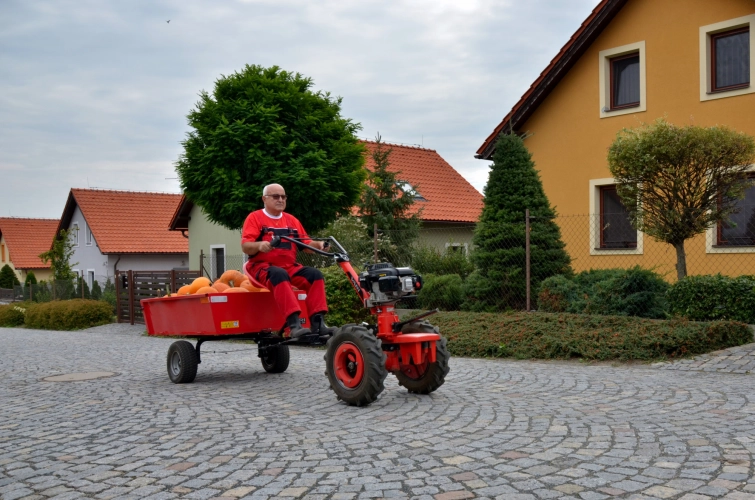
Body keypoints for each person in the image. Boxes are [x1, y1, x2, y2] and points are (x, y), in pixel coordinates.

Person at [241, 183, 336, 339]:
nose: (280, 200)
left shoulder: (292, 220)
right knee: (279, 274)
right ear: (264, 199)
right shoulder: (255, 218)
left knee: (315, 275)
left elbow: (306, 244)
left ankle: (318, 324)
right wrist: (259, 245)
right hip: (261, 267)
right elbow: (246, 246)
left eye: (283, 196)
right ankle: (294, 326)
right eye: (276, 196)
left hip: (289, 267)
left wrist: (319, 245)